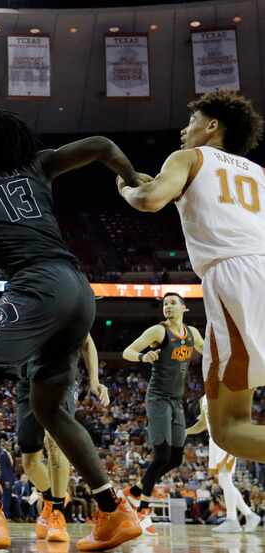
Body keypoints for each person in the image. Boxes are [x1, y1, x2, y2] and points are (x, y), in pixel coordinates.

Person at [0, 107, 142, 551]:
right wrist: (133, 181)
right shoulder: (37, 165)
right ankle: (113, 511)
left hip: (37, 286)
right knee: (50, 409)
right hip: (80, 291)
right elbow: (101, 146)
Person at [118, 91, 265, 463]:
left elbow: (150, 200)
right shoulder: (260, 174)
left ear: (212, 126)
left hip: (236, 276)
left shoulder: (190, 157)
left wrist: (127, 187)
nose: (185, 130)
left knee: (230, 428)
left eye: (192, 121)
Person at [121, 292, 203, 534]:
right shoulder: (158, 331)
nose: (167, 307)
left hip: (177, 401)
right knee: (161, 456)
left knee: (175, 459)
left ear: (184, 308)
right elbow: (127, 351)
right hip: (158, 399)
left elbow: (208, 351)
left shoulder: (192, 334)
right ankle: (142, 508)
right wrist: (143, 356)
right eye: (165, 304)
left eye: (172, 303)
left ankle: (135, 490)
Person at [19, 334, 109, 542]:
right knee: (29, 461)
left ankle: (58, 513)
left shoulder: (64, 303)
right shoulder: (25, 304)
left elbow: (87, 342)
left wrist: (94, 380)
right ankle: (51, 499)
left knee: (55, 443)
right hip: (25, 379)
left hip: (59, 375)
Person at [187, 394, 262, 533]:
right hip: (214, 440)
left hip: (226, 436)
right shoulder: (203, 398)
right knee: (223, 480)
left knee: (225, 478)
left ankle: (232, 519)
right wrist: (184, 432)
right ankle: (250, 515)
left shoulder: (225, 391)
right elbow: (202, 424)